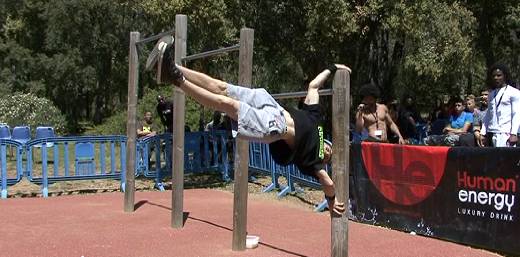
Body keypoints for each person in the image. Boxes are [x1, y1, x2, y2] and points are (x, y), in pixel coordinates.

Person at [145, 36, 346, 215]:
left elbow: (327, 183)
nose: (329, 153)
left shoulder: (313, 162)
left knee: (228, 105)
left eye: (329, 157)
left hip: (274, 127)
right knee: (221, 87)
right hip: (271, 105)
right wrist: (334, 67)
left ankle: (175, 78)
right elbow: (314, 86)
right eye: (330, 150)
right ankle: (171, 68)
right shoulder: (315, 118)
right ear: (328, 142)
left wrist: (331, 201)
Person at [479, 64, 520, 147]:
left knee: (506, 159)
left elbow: (517, 114)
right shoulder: (491, 94)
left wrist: (514, 134)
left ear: (505, 76)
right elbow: (488, 114)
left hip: (506, 134)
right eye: (494, 76)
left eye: (499, 75)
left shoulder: (514, 92)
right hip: (491, 132)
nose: (496, 78)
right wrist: (483, 132)